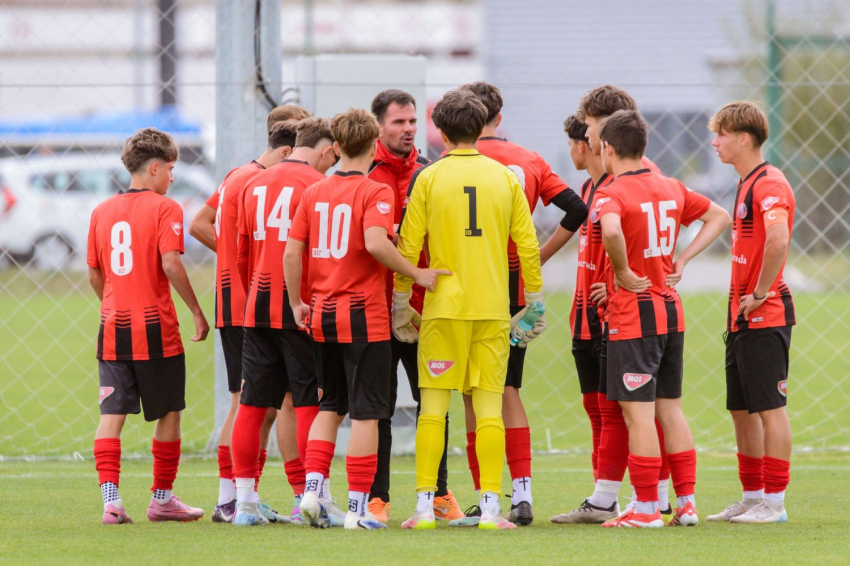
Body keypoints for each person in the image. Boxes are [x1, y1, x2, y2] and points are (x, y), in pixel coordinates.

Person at [284, 108, 447, 530]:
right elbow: (376, 243)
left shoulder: (313, 191)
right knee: (367, 413)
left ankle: (313, 491)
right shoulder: (376, 191)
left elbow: (291, 253)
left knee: (329, 404)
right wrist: (416, 273)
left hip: (321, 314)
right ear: (375, 144)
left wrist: (298, 304)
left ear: (335, 147)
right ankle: (358, 510)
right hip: (363, 317)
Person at [396, 89, 543, 531]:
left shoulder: (429, 177)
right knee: (490, 409)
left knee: (433, 409)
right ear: (480, 128)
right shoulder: (504, 177)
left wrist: (402, 301)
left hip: (443, 310)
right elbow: (528, 245)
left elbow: (409, 245)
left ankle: (424, 508)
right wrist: (534, 302)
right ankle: (493, 509)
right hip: (493, 309)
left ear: (440, 131)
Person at [450, 82, 587, 527]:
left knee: (472, 390)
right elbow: (576, 209)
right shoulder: (527, 160)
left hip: (467, 283)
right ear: (498, 118)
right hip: (511, 282)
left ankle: (486, 494)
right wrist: (537, 257)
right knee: (508, 387)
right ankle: (522, 492)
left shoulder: (451, 163)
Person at [590, 111, 730, 528]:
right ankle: (686, 504)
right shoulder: (670, 185)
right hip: (671, 312)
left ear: (609, 148)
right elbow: (718, 216)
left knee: (639, 415)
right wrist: (682, 258)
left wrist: (620, 271)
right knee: (671, 410)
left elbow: (612, 232)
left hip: (634, 318)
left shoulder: (610, 193)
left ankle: (647, 507)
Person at [88, 128, 209, 524]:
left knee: (112, 414)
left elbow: (94, 273)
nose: (173, 177)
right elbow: (171, 263)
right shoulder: (165, 207)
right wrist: (195, 309)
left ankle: (111, 502)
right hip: (156, 329)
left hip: (111, 328)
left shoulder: (101, 210)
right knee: (169, 412)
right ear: (155, 167)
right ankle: (161, 499)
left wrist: (114, 301)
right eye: (171, 169)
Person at [569, 84, 674, 520]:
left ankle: (651, 497)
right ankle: (618, 495)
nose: (586, 134)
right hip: (595, 310)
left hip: (627, 311)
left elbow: (639, 239)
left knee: (635, 409)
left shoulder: (633, 175)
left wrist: (618, 280)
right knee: (606, 406)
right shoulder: (596, 182)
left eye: (591, 126)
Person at [229, 118, 338, 526]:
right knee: (310, 401)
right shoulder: (318, 185)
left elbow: (241, 253)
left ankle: (244, 503)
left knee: (253, 404)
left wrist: (256, 288)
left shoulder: (253, 182)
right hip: (301, 308)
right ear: (327, 150)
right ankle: (316, 498)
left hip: (256, 306)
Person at [188, 120, 298, 523]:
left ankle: (238, 496)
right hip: (250, 305)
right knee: (253, 403)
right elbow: (200, 224)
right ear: (288, 150)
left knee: (261, 405)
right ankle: (233, 497)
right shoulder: (256, 180)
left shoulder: (239, 175)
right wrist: (244, 265)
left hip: (242, 303)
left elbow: (201, 222)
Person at [366, 89, 461, 523]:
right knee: (378, 409)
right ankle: (376, 498)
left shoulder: (432, 173)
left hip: (427, 313)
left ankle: (439, 494)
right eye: (398, 123)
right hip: (376, 311)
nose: (407, 130)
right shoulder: (365, 176)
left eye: (411, 123)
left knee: (433, 405)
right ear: (378, 126)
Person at [705, 101, 795, 524]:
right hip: (740, 318)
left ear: (744, 138)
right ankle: (752, 495)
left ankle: (774, 505)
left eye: (721, 134)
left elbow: (778, 239)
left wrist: (760, 292)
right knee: (741, 409)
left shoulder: (769, 183)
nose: (714, 142)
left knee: (769, 409)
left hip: (766, 314)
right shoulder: (746, 183)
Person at [550, 115, 612, 524]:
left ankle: (655, 498)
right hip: (583, 315)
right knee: (595, 409)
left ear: (582, 144)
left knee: (624, 412)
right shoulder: (589, 189)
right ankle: (601, 496)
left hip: (614, 316)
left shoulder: (625, 182)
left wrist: (619, 285)